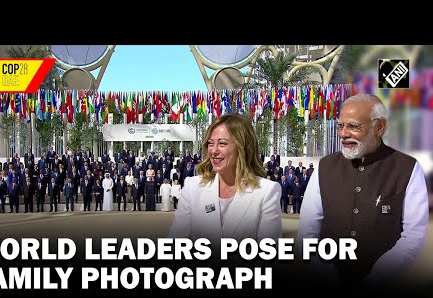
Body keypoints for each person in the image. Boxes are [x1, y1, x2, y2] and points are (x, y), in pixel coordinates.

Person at [298, 93, 429, 287]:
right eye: (340, 126)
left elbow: (414, 233)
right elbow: (307, 229)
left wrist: (376, 278)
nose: (343, 134)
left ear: (379, 127)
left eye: (353, 126)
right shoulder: (325, 167)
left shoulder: (407, 168)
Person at [168, 113, 282, 245]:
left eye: (222, 143)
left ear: (242, 148)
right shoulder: (192, 187)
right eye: (211, 143)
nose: (214, 151)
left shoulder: (267, 192)